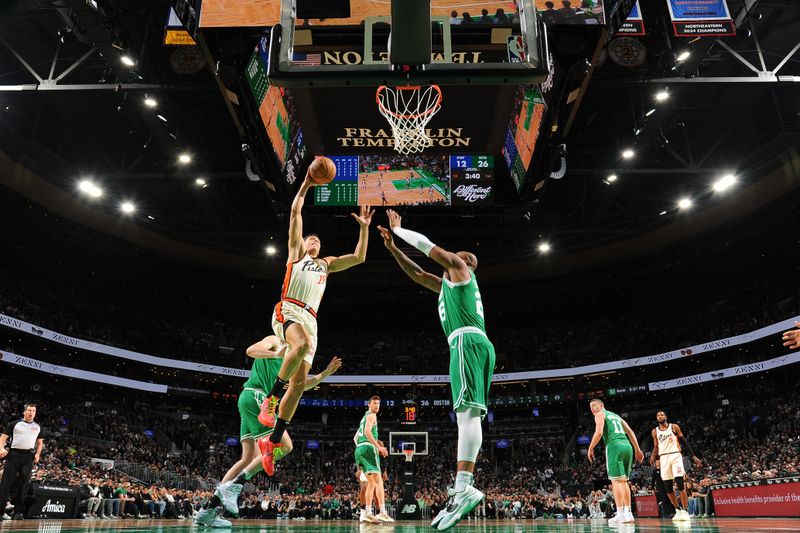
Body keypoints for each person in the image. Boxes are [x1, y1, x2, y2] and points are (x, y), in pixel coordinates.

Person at [378, 210, 494, 531]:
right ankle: (461, 488)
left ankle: (463, 487)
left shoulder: (459, 270)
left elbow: (431, 249)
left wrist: (399, 230)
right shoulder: (447, 287)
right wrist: (392, 249)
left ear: (466, 265)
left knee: (467, 415)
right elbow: (416, 273)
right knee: (467, 415)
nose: (459, 257)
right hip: (474, 345)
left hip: (466, 343)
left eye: (464, 257)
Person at [258, 168, 373, 475]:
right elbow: (296, 211)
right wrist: (307, 182)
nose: (314, 240)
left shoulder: (326, 265)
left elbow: (360, 257)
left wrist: (364, 228)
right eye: (311, 237)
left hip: (311, 319)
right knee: (302, 346)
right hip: (289, 309)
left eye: (317, 240)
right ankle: (269, 400)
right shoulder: (296, 254)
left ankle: (271, 440)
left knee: (298, 386)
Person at [200, 335, 341, 527]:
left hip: (247, 399)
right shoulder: (276, 340)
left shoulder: (292, 359)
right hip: (257, 397)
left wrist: (325, 373)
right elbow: (251, 351)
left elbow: (301, 385)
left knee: (247, 458)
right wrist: (276, 353)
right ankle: (233, 487)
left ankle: (208, 510)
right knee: (285, 445)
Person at [587, 399, 644, 526]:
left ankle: (623, 513)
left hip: (614, 446)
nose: (592, 409)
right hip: (627, 446)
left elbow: (599, 431)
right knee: (622, 481)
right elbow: (629, 431)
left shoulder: (600, 414)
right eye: (591, 407)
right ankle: (624, 513)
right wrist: (637, 449)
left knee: (617, 481)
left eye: (594, 405)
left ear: (602, 406)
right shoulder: (615, 415)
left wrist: (590, 448)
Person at [650, 410, 702, 522]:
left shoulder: (674, 427)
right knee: (668, 487)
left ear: (666, 416)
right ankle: (678, 510)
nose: (660, 416)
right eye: (658, 415)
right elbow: (656, 446)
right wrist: (652, 456)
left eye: (662, 414)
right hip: (663, 458)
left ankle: (685, 510)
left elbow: (684, 441)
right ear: (656, 418)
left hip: (675, 456)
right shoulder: (654, 431)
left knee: (680, 484)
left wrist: (693, 456)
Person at [0, 403, 43, 520]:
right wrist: (2, 448)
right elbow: (3, 438)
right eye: (29, 410)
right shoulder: (14, 424)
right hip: (13, 455)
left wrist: (38, 454)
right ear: (24, 412)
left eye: (33, 411)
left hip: (28, 457)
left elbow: (40, 443)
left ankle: (18, 512)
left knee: (24, 485)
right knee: (6, 483)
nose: (31, 412)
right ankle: (0, 511)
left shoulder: (38, 427)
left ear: (35, 413)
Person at [354, 396, 393, 523]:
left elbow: (356, 438)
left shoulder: (363, 418)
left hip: (359, 449)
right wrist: (378, 447)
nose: (377, 406)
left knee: (371, 483)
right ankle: (382, 511)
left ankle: (367, 512)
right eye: (374, 403)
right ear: (369, 405)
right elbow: (367, 432)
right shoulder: (372, 416)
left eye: (378, 404)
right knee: (378, 481)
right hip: (369, 448)